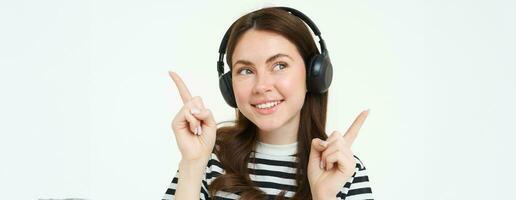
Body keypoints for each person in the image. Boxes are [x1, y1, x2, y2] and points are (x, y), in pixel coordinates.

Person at [163, 6, 373, 200]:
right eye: (246, 70)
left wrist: (322, 196)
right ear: (229, 86)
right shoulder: (209, 156)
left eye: (280, 65)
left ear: (313, 75)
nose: (261, 86)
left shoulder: (342, 168)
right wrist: (192, 165)